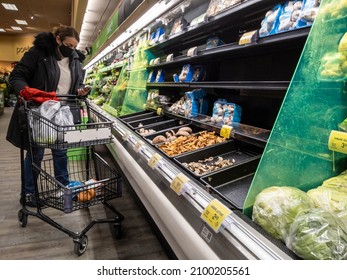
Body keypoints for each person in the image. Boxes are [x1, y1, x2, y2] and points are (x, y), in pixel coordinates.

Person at [6, 26, 90, 207]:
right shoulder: (39, 53)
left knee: (61, 153)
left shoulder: (75, 60)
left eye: (75, 46)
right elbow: (17, 76)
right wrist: (26, 92)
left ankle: (63, 187)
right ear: (58, 39)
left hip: (63, 114)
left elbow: (75, 84)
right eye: (69, 45)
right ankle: (28, 193)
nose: (72, 49)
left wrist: (80, 90)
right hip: (40, 113)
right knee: (36, 154)